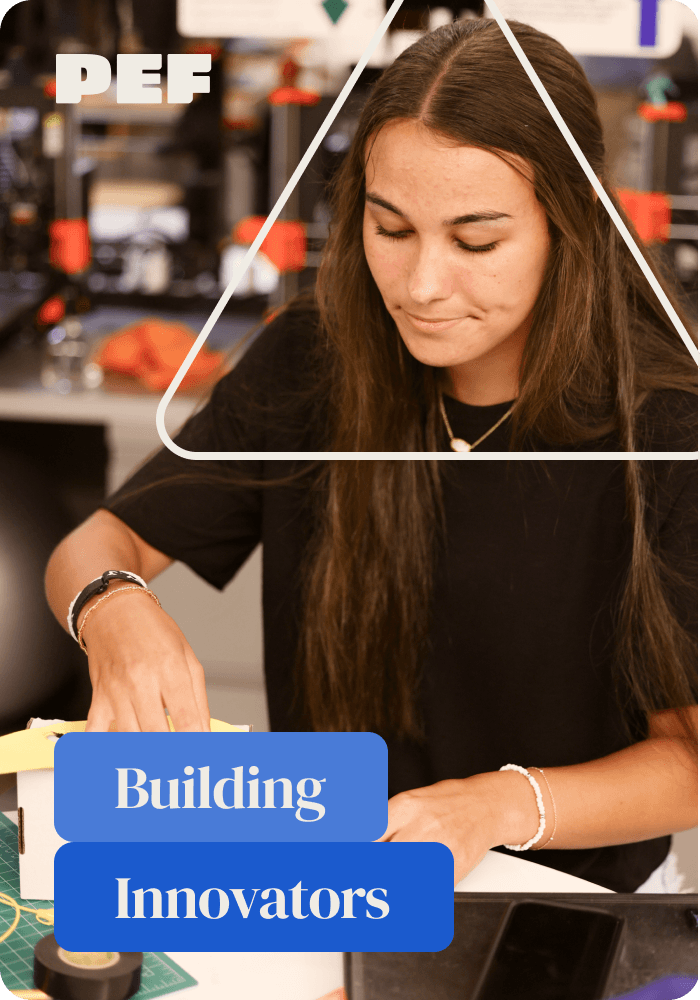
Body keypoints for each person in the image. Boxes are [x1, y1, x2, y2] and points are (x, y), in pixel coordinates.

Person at [45, 19, 697, 893]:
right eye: (391, 230)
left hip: (573, 904)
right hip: (336, 883)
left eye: (476, 241)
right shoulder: (312, 360)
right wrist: (114, 612)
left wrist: (493, 808)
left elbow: (687, 758)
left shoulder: (665, 424)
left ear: (569, 222)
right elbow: (93, 547)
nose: (422, 285)